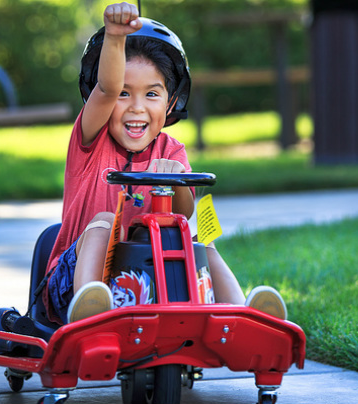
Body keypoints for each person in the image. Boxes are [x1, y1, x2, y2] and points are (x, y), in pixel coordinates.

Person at [43, 2, 286, 325]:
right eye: (124, 95)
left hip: (151, 280)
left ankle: (245, 318)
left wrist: (175, 183)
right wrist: (115, 37)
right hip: (70, 289)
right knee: (103, 222)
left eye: (152, 94)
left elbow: (183, 214)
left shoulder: (171, 150)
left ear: (171, 101)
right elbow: (106, 88)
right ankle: (92, 309)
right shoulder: (92, 140)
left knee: (197, 244)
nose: (137, 108)